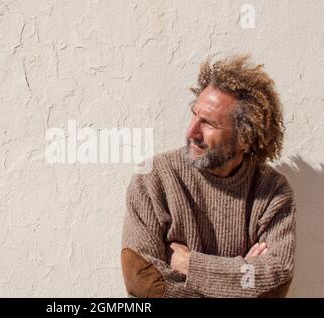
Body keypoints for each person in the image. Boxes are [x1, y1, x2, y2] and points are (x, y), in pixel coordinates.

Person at [121, 55, 296, 297]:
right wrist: (238, 280)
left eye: (209, 124)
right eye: (194, 114)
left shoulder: (272, 191)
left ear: (244, 138)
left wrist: (191, 265)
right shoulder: (154, 178)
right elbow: (143, 281)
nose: (192, 131)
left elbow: (276, 281)